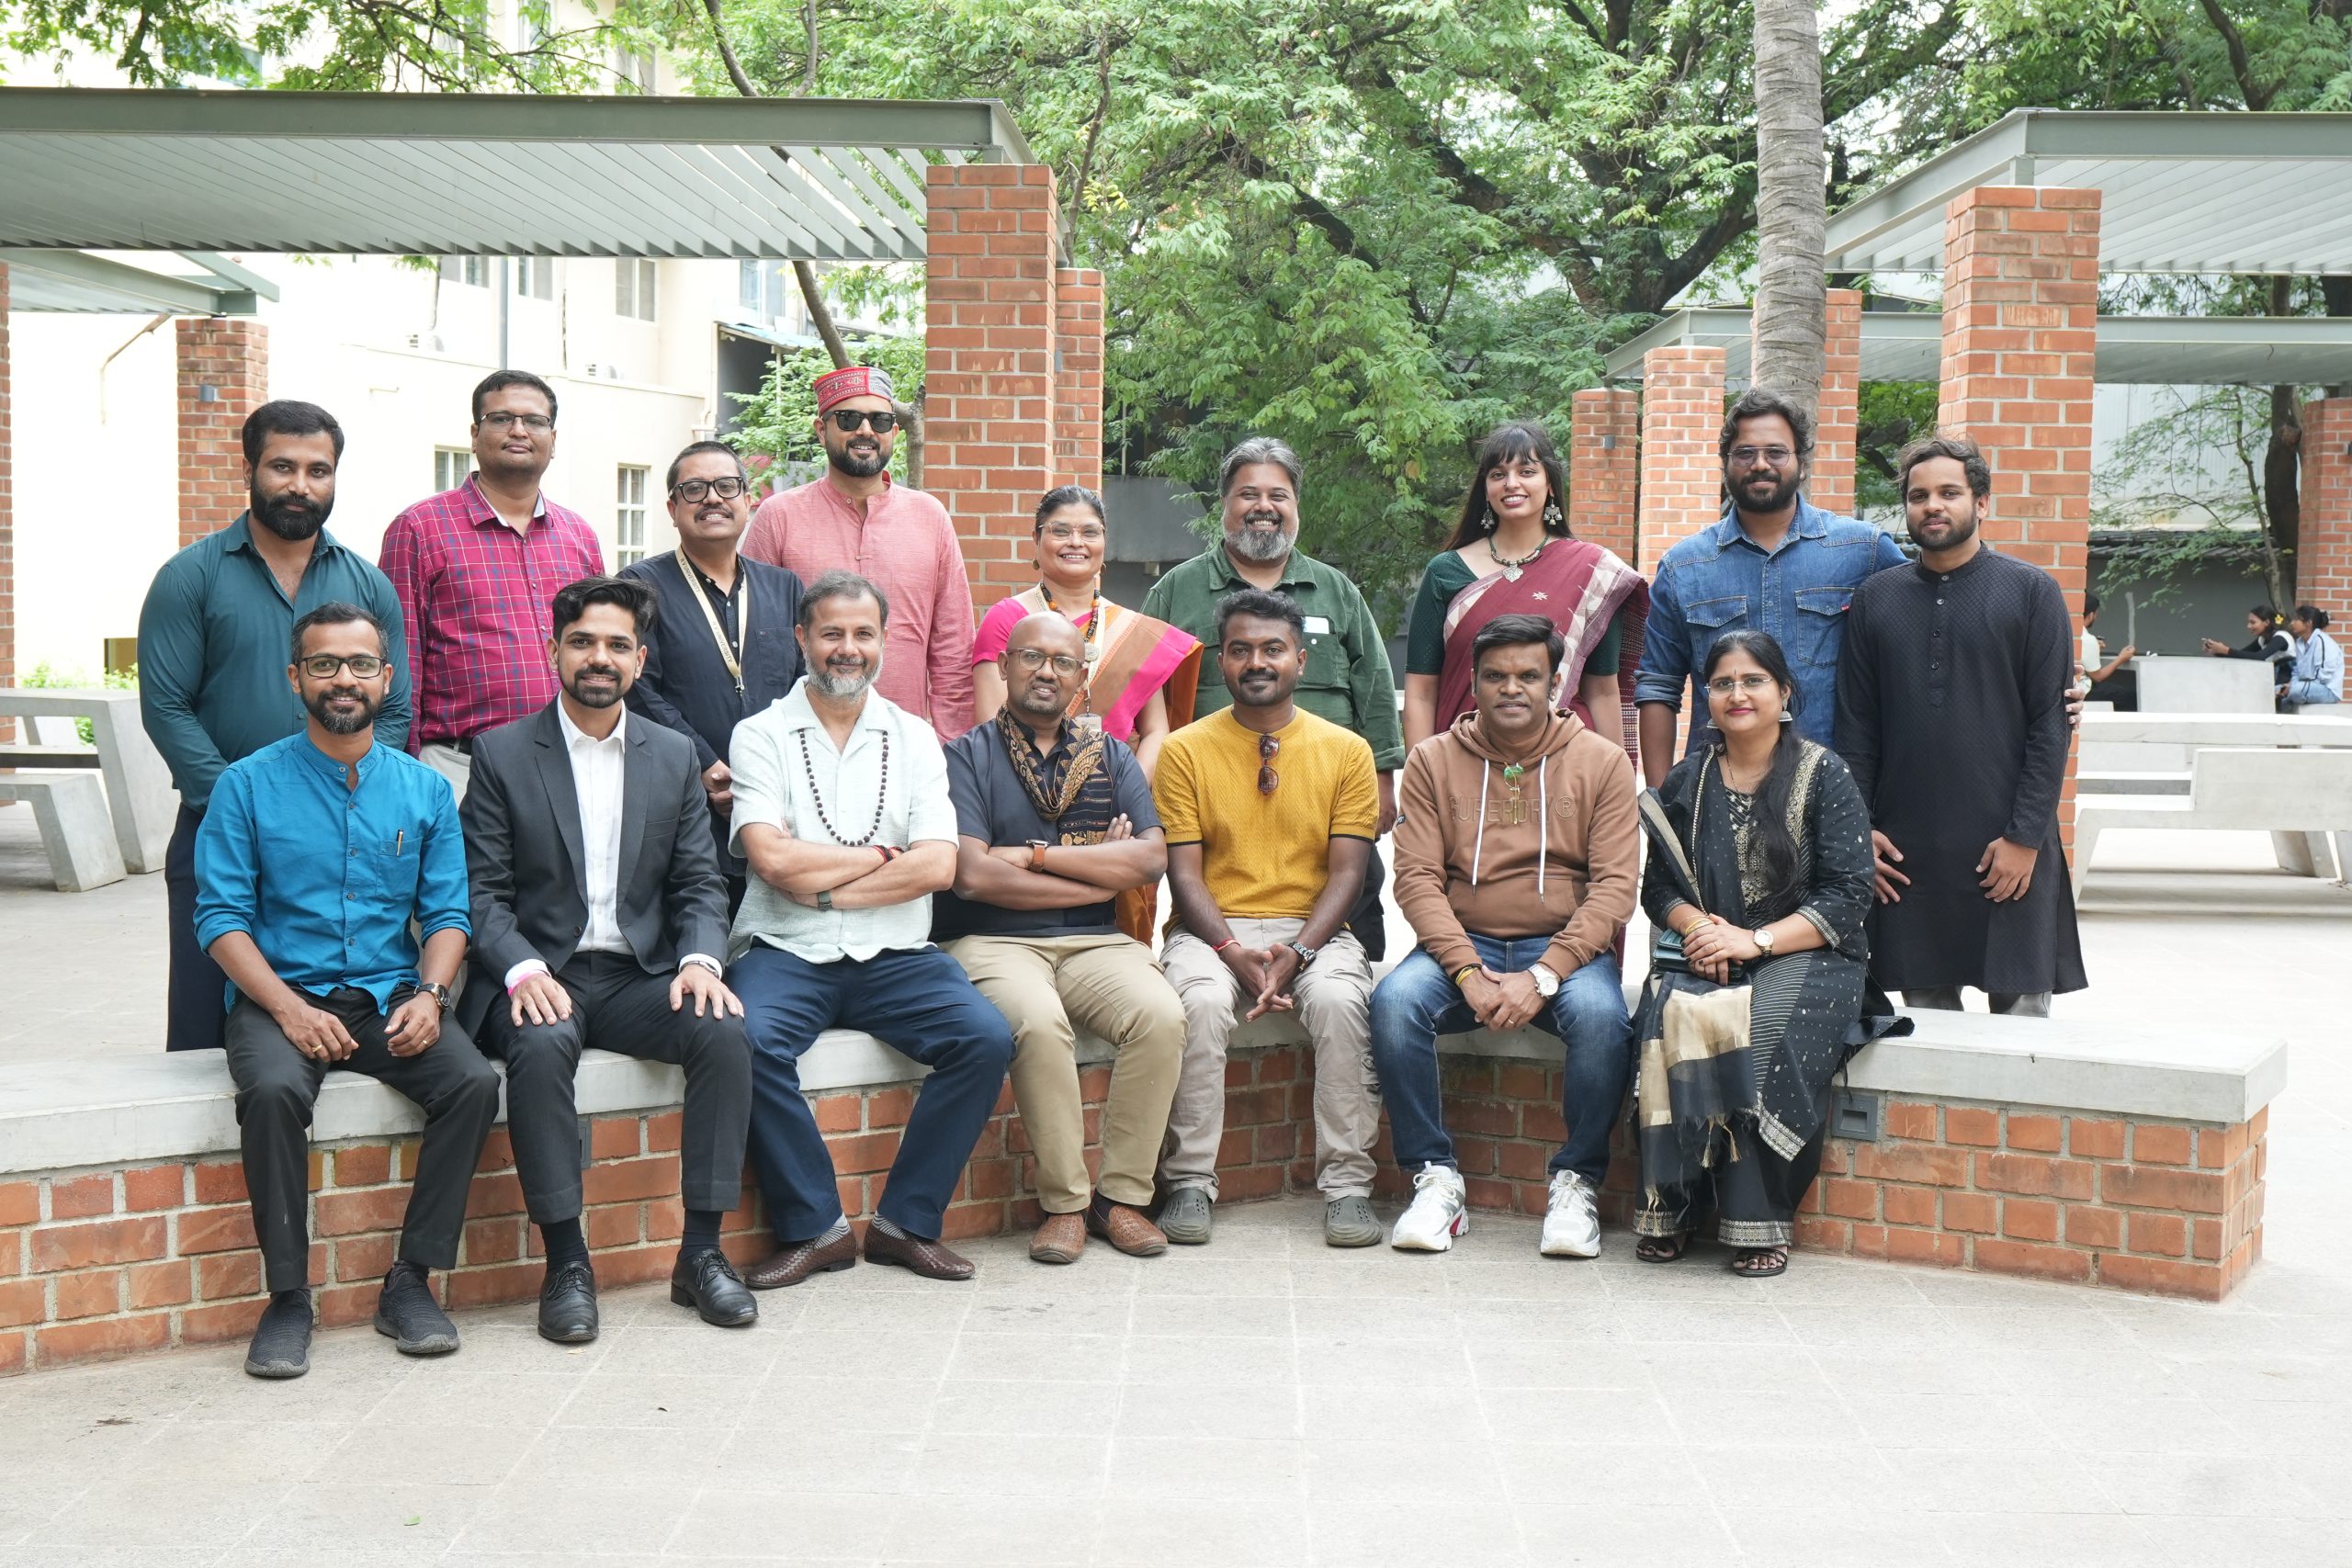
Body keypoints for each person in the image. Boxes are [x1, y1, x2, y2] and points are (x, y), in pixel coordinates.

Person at [193, 603, 501, 1376]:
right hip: (279, 996)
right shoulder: (245, 785)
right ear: (295, 677)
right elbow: (220, 919)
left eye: (361, 664)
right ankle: (288, 1298)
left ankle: (411, 1281)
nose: (344, 678)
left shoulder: (424, 790)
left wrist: (431, 995)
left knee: (470, 1083)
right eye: (324, 663)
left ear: (386, 678)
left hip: (386, 996)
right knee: (272, 1091)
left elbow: (449, 914)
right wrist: (289, 1009)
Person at [458, 577, 758, 1344]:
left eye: (618, 644)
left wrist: (701, 960)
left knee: (723, 1029)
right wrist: (522, 969)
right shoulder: (500, 753)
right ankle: (566, 1263)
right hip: (539, 973)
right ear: (553, 650)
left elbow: (698, 882)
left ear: (640, 659)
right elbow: (480, 891)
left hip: (637, 975)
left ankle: (700, 1253)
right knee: (539, 1045)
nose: (600, 657)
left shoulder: (673, 754)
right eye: (583, 641)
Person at [725, 571, 1014, 1287]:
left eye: (863, 634)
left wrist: (824, 887)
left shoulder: (915, 738)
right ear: (803, 638)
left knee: (984, 1038)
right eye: (832, 633)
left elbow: (939, 864)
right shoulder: (760, 734)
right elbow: (771, 859)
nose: (847, 648)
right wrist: (886, 856)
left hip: (896, 952)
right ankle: (815, 1228)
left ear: (885, 641)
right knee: (744, 1041)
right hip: (786, 946)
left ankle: (905, 1224)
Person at [139, 400, 413, 1054]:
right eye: (282, 466)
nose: (301, 485)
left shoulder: (369, 586)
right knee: (206, 1032)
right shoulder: (190, 578)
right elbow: (166, 706)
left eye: (319, 470)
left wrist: (352, 797)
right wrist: (241, 806)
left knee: (341, 1019)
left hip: (345, 837)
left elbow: (395, 708)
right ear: (249, 470)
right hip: (217, 829)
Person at [1375, 614, 1638, 1257]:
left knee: (1603, 1018)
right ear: (1473, 682)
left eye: (1528, 675)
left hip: (1565, 950)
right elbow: (1415, 879)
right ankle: (1435, 1178)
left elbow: (1615, 888)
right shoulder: (1433, 760)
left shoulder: (1602, 762)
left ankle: (1576, 1183)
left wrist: (1545, 973)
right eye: (1495, 676)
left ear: (1555, 683)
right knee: (1395, 1002)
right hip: (1465, 942)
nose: (1511, 688)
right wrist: (1466, 970)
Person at [1634, 631, 1895, 1277]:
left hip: (1811, 952)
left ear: (1784, 692)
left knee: (1766, 1025)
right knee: (1667, 1014)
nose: (1737, 694)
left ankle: (1759, 1218)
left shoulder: (1824, 774)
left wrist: (1753, 940)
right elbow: (1659, 887)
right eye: (1722, 683)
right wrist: (1700, 931)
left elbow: (1848, 894)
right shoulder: (1689, 779)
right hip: (1711, 948)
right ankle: (1673, 1205)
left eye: (1753, 680)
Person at [937, 615, 1183, 1264]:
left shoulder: (1112, 756)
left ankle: (1120, 1199)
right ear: (1005, 666)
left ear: (1081, 678)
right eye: (1031, 657)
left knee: (1161, 1014)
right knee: (1040, 1024)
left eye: (1063, 662)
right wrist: (1095, 872)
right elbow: (972, 876)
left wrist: (1036, 857)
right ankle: (1066, 1204)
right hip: (991, 941)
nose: (1046, 672)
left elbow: (1149, 859)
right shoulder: (965, 756)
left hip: (1095, 942)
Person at [1153, 588, 1383, 1248]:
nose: (1257, 662)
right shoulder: (1184, 750)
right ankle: (1189, 1182)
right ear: (1221, 661)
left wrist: (1299, 953)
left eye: (1273, 649)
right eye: (1241, 650)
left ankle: (1348, 1189)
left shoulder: (1347, 751)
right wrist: (1230, 949)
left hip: (1315, 931)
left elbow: (1348, 874)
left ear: (1300, 660)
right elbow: (1185, 875)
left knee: (1340, 1001)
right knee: (1198, 1003)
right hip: (1210, 929)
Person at [1837, 436, 2087, 1016]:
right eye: (1918, 495)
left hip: (2007, 846)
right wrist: (1860, 831)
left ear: (1981, 502)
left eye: (1949, 492)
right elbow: (1858, 728)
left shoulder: (2032, 592)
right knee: (1930, 1030)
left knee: (2021, 1031)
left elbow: (2050, 727)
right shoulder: (1876, 600)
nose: (1933, 505)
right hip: (1906, 855)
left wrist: (2025, 838)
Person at [1141, 437, 1404, 959]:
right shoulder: (1177, 592)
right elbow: (1140, 694)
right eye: (1248, 494)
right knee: (1209, 933)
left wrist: (1381, 780)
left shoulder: (1335, 590)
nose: (1264, 507)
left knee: (1354, 935)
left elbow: (1373, 683)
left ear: (1296, 506)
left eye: (1278, 496)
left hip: (1328, 804)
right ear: (1225, 504)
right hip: (1215, 812)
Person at [1635, 389, 1907, 785]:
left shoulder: (1863, 551)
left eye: (1776, 452)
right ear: (1725, 464)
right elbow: (1658, 686)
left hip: (1833, 792)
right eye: (1745, 453)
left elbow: (1912, 656)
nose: (1760, 464)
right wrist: (1662, 801)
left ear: (1802, 464)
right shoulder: (1684, 567)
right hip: (1717, 794)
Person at [378, 369, 605, 799]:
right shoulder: (420, 529)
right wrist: (400, 773)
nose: (519, 430)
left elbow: (601, 649)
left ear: (553, 440)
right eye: (501, 418)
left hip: (570, 763)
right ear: (474, 434)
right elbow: (401, 660)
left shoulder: (579, 536)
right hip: (460, 769)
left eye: (534, 421)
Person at [741, 365, 977, 738]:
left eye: (880, 420)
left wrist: (951, 747)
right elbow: (754, 640)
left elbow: (954, 649)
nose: (865, 430)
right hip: (799, 740)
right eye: (848, 418)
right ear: (822, 430)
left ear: (893, 433)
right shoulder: (778, 516)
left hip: (904, 742)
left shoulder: (929, 516)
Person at [620, 440, 806, 910]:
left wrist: (766, 777)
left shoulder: (784, 587)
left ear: (748, 499)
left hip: (777, 804)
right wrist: (705, 764)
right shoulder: (639, 587)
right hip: (681, 802)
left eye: (726, 486)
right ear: (672, 508)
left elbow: (803, 687)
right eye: (695, 489)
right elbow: (637, 689)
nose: (712, 499)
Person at [1402, 422, 1646, 758]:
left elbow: (1602, 690)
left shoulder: (1591, 571)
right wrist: (1421, 776)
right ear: (1486, 488)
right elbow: (1421, 692)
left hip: (1565, 763)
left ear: (1550, 484)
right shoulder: (1445, 572)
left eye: (1526, 471)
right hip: (1463, 760)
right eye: (1498, 474)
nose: (1511, 483)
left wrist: (1615, 781)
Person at [970, 485, 1204, 779]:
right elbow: (991, 725)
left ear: (1104, 542)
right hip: (1023, 787)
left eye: (1090, 532)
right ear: (1036, 539)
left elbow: (1156, 730)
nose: (1076, 542)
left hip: (1118, 793)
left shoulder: (1132, 630)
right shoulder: (1007, 619)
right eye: (1060, 531)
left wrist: (1126, 794)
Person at [2200, 604, 2296, 691]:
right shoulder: (2262, 639)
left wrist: (2225, 650)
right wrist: (2216, 651)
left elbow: (2259, 656)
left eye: (2253, 622)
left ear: (2266, 622)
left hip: (2288, 678)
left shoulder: (2281, 637)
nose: (2248, 626)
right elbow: (2242, 655)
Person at [2079, 591, 2136, 710]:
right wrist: (2121, 658)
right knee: (2128, 696)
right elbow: (2097, 676)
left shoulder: (2068, 632)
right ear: (2091, 615)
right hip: (2083, 690)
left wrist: (2095, 649)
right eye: (2096, 614)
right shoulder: (2087, 639)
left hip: (2066, 688)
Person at [2280, 604, 2343, 709]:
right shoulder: (2300, 642)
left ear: (2309, 623)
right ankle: (2286, 700)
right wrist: (2291, 684)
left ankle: (2286, 700)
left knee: (2296, 691)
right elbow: (2297, 671)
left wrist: (2293, 687)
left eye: (2296, 620)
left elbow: (2323, 677)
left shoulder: (2321, 641)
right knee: (2275, 690)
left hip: (2327, 690)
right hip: (2305, 687)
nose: (2292, 623)